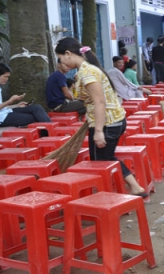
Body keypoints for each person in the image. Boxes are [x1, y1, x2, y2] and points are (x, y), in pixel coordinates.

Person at [55, 37, 149, 200]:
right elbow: (90, 100)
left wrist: (98, 131)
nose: (61, 62)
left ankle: (126, 191)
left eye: (61, 58)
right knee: (102, 160)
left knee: (101, 161)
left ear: (68, 54)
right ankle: (132, 188)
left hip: (107, 123)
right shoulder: (84, 71)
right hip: (110, 121)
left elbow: (99, 102)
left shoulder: (88, 72)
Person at [0, 63, 51, 128]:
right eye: (5, 77)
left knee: (36, 108)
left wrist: (16, 105)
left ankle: (51, 131)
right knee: (34, 117)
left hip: (4, 113)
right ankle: (49, 135)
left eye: (8, 77)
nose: (6, 79)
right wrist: (9, 101)